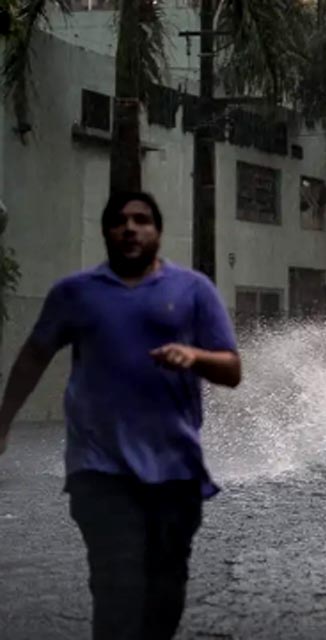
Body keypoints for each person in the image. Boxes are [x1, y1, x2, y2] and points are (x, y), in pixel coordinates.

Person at [0, 191, 241, 640]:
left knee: (164, 595)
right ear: (106, 232)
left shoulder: (193, 290)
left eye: (141, 220)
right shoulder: (75, 293)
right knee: (116, 590)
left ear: (158, 232)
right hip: (99, 469)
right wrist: (3, 422)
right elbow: (33, 356)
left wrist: (195, 356)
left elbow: (232, 370)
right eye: (119, 220)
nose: (130, 228)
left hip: (175, 470)